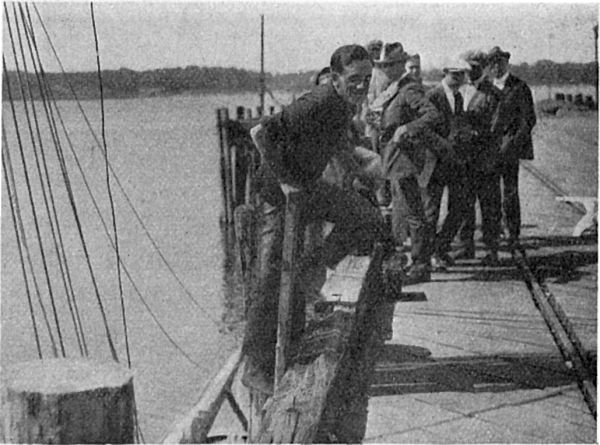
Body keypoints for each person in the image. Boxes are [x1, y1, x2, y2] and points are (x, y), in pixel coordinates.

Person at [242, 44, 391, 394]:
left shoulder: (345, 106)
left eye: (367, 78)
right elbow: (259, 133)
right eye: (353, 79)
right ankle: (255, 366)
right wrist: (284, 181)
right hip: (277, 194)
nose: (361, 85)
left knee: (367, 220)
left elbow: (336, 147)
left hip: (307, 187)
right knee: (272, 276)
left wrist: (359, 177)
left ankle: (309, 269)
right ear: (335, 78)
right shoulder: (319, 102)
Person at [377, 43, 443, 284]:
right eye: (382, 66)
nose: (385, 69)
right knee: (405, 210)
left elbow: (432, 114)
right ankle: (414, 261)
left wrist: (408, 128)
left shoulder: (409, 88)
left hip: (404, 159)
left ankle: (420, 264)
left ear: (399, 65)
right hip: (394, 159)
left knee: (414, 213)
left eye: (389, 65)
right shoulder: (393, 88)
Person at [453, 50, 503, 264]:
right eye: (468, 67)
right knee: (464, 204)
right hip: (464, 158)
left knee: (489, 206)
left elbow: (497, 127)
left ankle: (492, 250)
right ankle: (466, 246)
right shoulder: (460, 90)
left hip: (485, 159)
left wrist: (474, 134)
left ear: (483, 68)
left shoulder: (493, 94)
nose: (470, 71)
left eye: (475, 67)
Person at [488, 46, 536, 249]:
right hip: (489, 150)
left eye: (499, 62)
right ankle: (493, 235)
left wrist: (514, 143)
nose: (496, 67)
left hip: (510, 149)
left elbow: (528, 119)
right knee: (490, 194)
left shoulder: (519, 87)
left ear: (506, 63)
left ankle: (513, 234)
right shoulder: (485, 87)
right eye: (492, 63)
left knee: (510, 193)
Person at [424, 59, 471, 271]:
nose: (458, 78)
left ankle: (441, 247)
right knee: (431, 211)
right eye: (454, 74)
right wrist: (444, 145)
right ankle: (429, 255)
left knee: (459, 206)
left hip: (454, 162)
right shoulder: (433, 96)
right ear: (445, 73)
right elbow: (425, 129)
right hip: (435, 162)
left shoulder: (458, 97)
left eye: (461, 74)